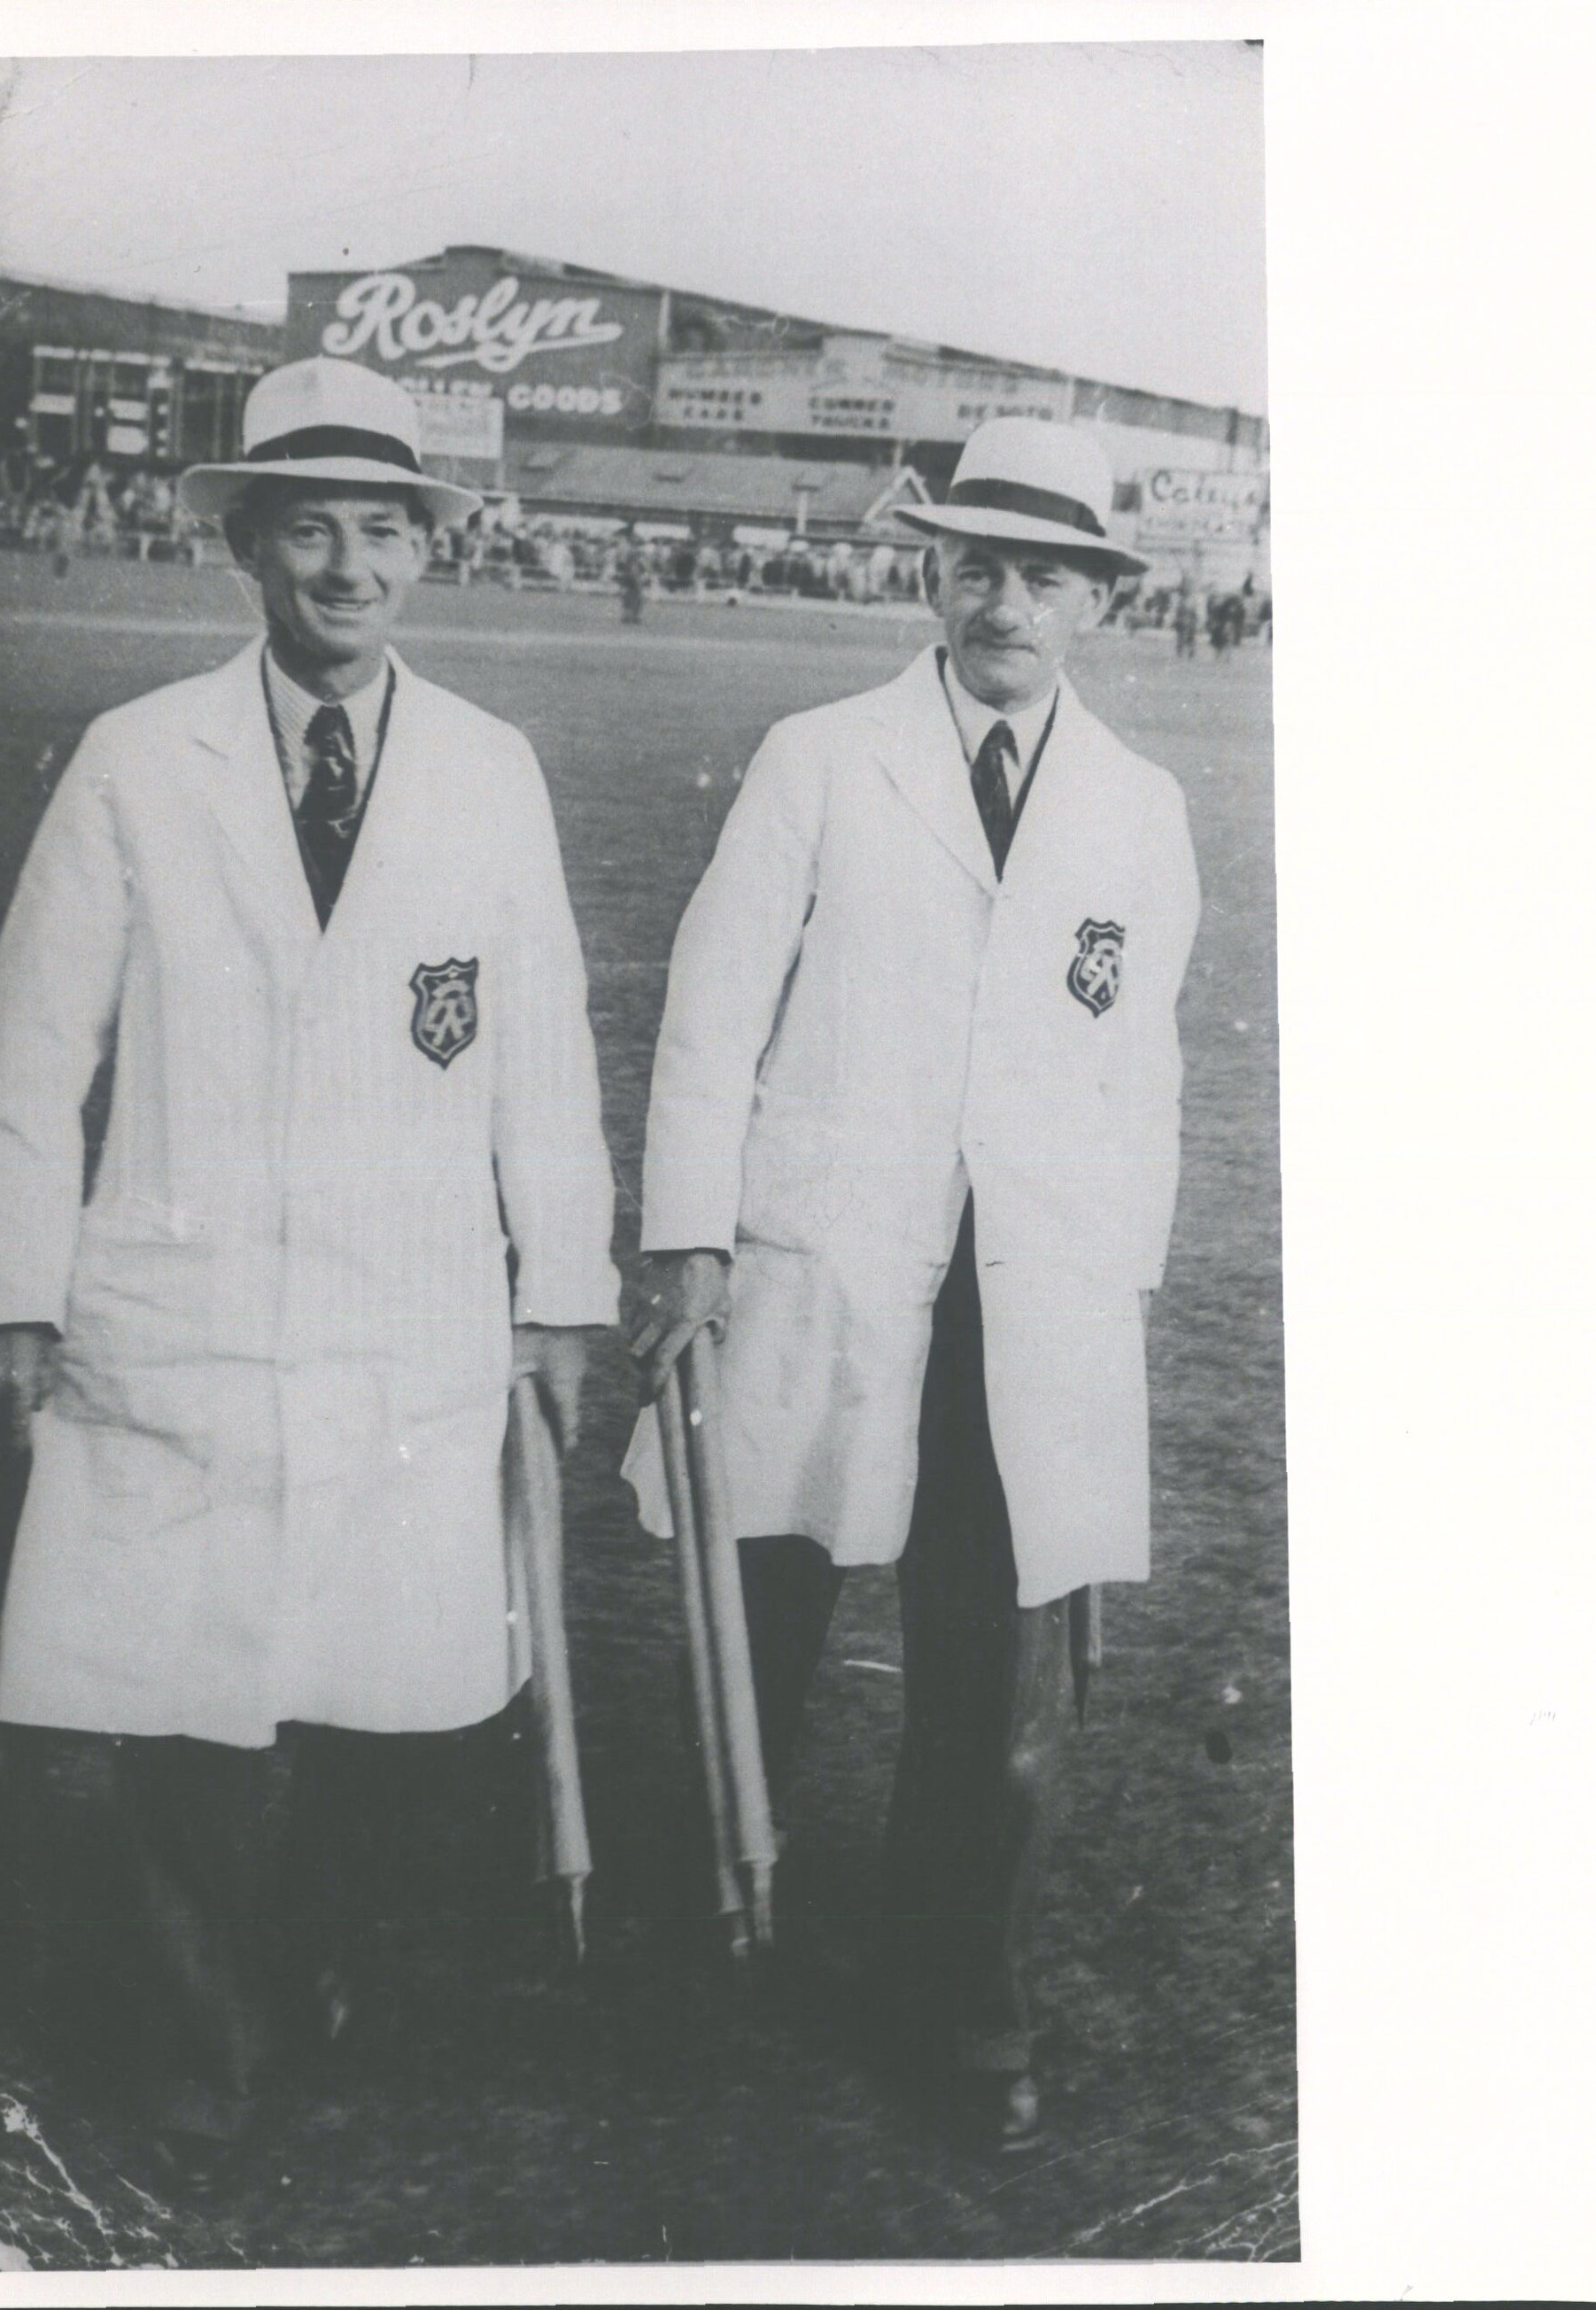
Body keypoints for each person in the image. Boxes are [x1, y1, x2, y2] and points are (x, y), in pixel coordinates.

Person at [0, 356, 619, 2181]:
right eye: (310, 525)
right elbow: (26, 1054)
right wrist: (6, 1290)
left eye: (382, 526)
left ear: (425, 547)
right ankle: (195, 2035)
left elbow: (539, 1057)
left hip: (407, 1319)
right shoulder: (136, 759)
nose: (348, 563)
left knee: (378, 1710)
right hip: (184, 1307)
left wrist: (562, 1293)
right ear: (249, 545)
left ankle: (298, 1962)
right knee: (180, 1706)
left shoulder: (489, 772)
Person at [622, 418, 1199, 2154]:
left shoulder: (1140, 809)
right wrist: (689, 1234)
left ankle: (958, 1991)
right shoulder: (820, 755)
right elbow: (713, 1008)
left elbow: (1140, 1079)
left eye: (1042, 571)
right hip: (828, 1264)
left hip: (1024, 1303)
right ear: (928, 571)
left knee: (989, 1669)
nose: (1004, 599)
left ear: (1094, 595)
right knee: (766, 1621)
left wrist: (1117, 1297)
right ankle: (692, 1951)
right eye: (976, 563)